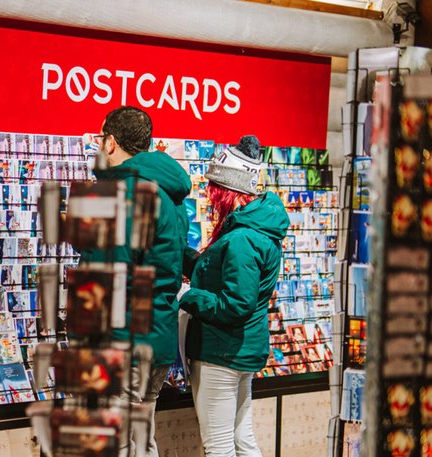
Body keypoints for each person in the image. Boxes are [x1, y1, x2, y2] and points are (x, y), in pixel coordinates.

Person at [81, 106, 192, 457]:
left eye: (101, 139)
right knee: (141, 438)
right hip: (157, 339)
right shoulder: (169, 195)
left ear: (111, 143)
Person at [179, 135, 289, 457]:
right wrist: (183, 257)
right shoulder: (253, 229)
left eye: (215, 190)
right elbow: (222, 273)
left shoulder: (242, 238)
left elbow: (235, 303)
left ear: (230, 191)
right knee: (242, 439)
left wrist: (186, 295)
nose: (211, 197)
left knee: (220, 446)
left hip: (222, 352)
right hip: (240, 349)